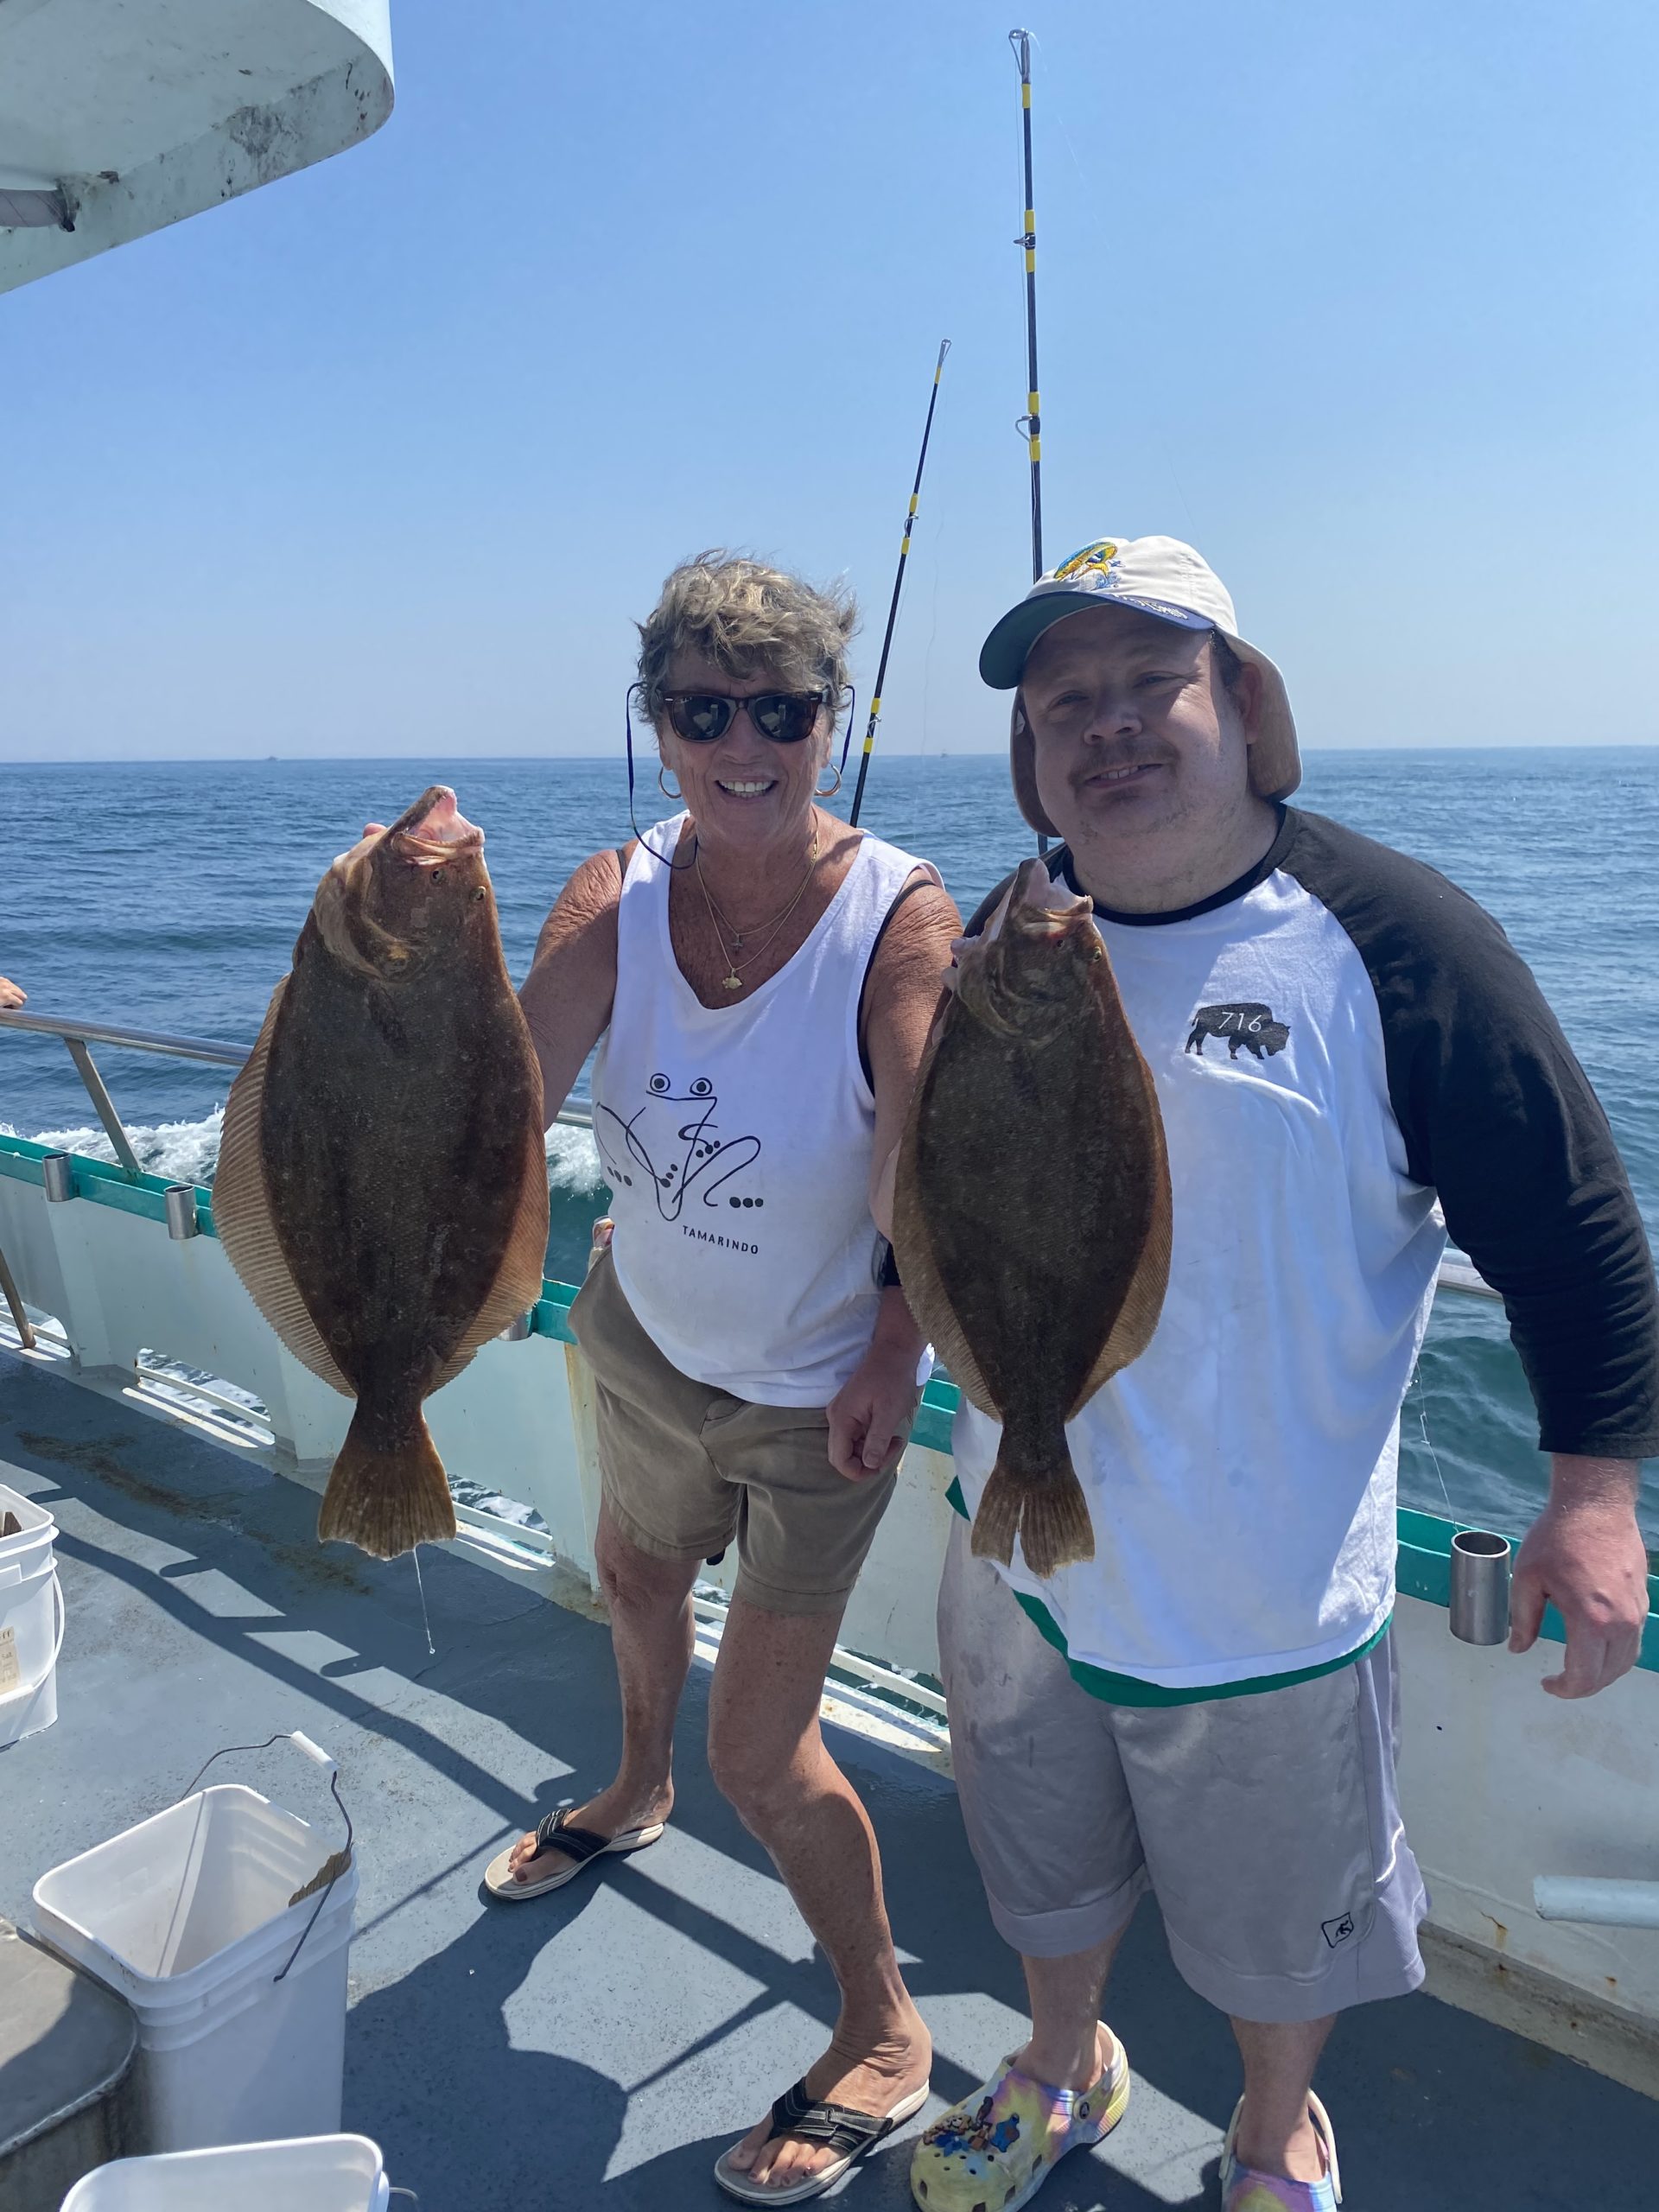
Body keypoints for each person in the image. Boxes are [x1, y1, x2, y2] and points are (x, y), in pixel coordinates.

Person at [908, 535, 1658, 2212]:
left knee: (1271, 1929)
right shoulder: (1006, 931)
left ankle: (1273, 2135)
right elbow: (932, 1193)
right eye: (1062, 703)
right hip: (1014, 1541)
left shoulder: (1396, 941)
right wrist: (896, 1333)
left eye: (1147, 683)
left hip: (1264, 1602)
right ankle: (1062, 2061)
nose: (1106, 727)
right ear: (1030, 754)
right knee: (1041, 1865)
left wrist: (1594, 1495)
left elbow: (1576, 1226)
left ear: (1244, 705)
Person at [493, 554, 960, 2203]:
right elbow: (508, 1090)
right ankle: (631, 1786)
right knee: (628, 1565)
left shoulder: (901, 916)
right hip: (637, 1327)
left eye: (784, 708)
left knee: (772, 1747)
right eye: (706, 710)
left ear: (832, 721)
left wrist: (900, 1347)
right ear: (658, 723)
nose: (745, 742)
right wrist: (380, 973)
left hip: (816, 1390)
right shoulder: (611, 891)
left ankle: (885, 2023)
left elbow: (931, 1155)